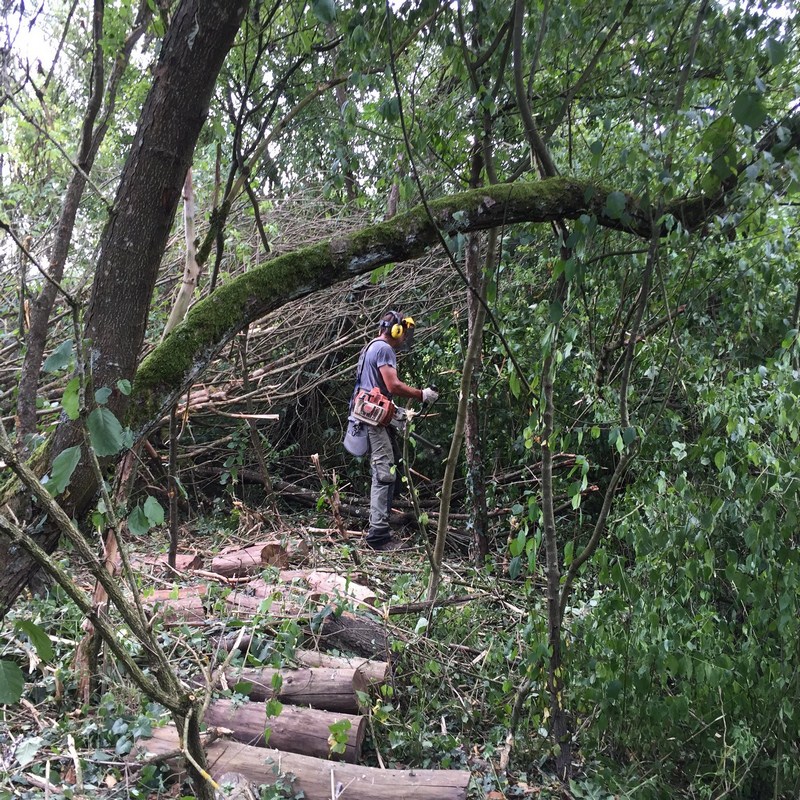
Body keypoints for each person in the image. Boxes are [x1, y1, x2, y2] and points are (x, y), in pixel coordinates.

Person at [348, 310, 438, 551]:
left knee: (393, 466)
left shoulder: (371, 347)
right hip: (372, 420)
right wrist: (421, 395)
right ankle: (378, 535)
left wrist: (396, 411)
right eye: (404, 332)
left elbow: (375, 389)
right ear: (396, 331)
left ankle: (383, 523)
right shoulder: (385, 349)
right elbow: (392, 384)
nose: (405, 338)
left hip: (373, 415)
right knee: (383, 472)